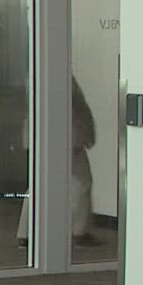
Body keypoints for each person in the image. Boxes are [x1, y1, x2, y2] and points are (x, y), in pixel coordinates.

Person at [17, 78, 102, 249]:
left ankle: (26, 233)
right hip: (64, 140)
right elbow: (70, 110)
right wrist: (76, 139)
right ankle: (77, 232)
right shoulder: (56, 75)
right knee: (80, 183)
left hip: (46, 139)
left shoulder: (36, 73)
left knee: (39, 185)